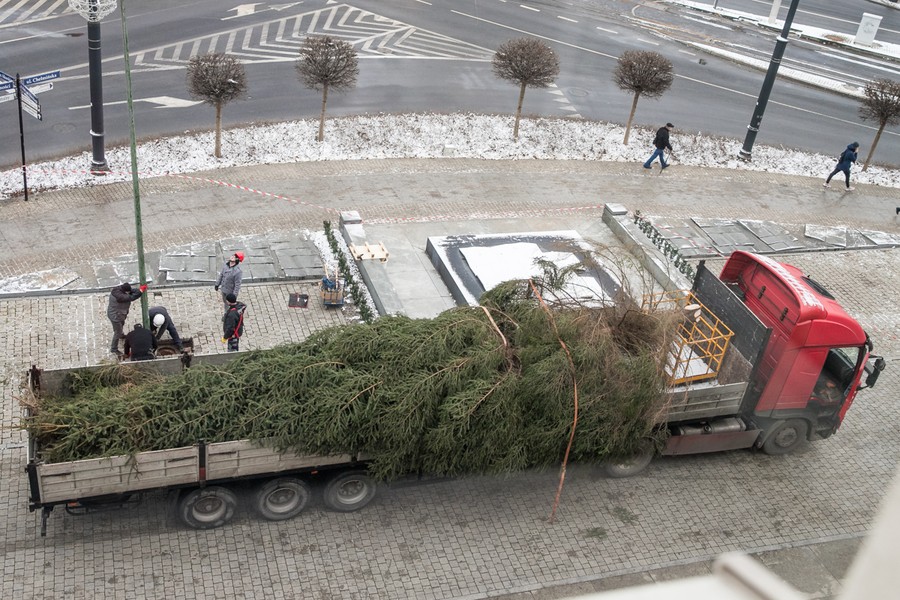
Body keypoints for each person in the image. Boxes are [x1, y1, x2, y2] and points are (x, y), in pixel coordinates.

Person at [107, 282, 146, 355]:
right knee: (117, 332)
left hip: (120, 314)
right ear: (125, 291)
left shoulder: (118, 289)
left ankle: (121, 335)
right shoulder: (120, 297)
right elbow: (131, 297)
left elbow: (132, 291)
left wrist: (138, 290)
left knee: (121, 324)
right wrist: (140, 291)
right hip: (115, 316)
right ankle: (114, 349)